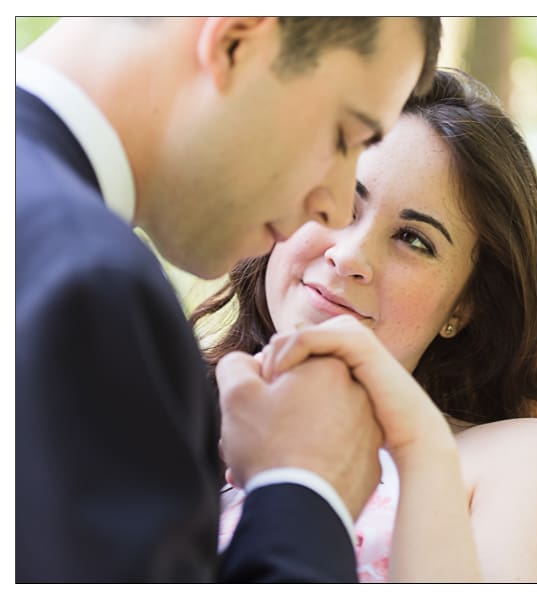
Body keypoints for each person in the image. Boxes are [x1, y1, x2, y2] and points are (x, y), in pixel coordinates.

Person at [16, 17, 441, 582]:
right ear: (236, 42)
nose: (335, 209)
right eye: (344, 137)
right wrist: (306, 487)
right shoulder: (86, 282)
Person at [191, 69, 537, 582]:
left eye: (413, 239)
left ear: (463, 307)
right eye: (341, 201)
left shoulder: (521, 460)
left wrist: (417, 446)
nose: (349, 255)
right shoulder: (168, 409)